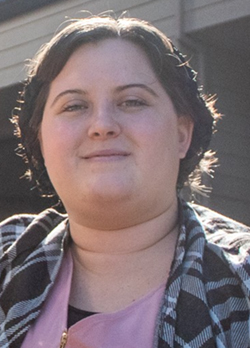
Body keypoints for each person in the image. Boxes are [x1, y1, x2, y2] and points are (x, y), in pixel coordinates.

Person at [0, 14, 249, 348]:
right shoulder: (9, 254)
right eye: (74, 106)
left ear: (181, 135)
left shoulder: (242, 277)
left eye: (133, 101)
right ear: (40, 141)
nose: (102, 125)